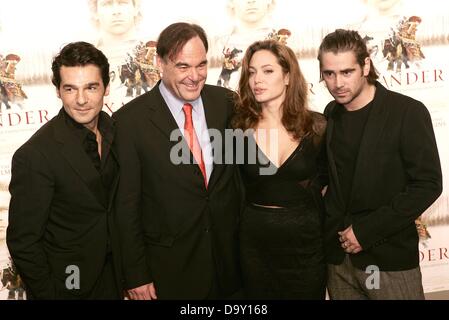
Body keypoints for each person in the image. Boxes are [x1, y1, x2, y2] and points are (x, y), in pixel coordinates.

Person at [113, 22, 242, 300]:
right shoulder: (129, 122)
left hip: (230, 266)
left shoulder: (226, 103)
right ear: (160, 63)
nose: (194, 76)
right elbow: (126, 205)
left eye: (201, 65)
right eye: (183, 67)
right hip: (170, 272)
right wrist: (136, 274)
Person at [316, 29, 442, 299]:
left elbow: (428, 185)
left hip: (389, 260)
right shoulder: (331, 114)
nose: (337, 83)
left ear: (365, 66)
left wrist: (365, 232)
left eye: (347, 72)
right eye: (329, 74)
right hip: (338, 261)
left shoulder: (407, 112)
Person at [6, 42, 122, 299]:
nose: (81, 100)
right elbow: (23, 242)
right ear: (58, 91)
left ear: (107, 87)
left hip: (118, 281)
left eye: (91, 87)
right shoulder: (35, 155)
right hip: (70, 286)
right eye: (70, 89)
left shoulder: (117, 131)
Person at [232, 39, 327, 299]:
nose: (256, 80)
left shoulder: (317, 127)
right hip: (255, 246)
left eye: (268, 71)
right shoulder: (238, 130)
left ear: (287, 76)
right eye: (251, 72)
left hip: (306, 247)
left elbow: (329, 184)